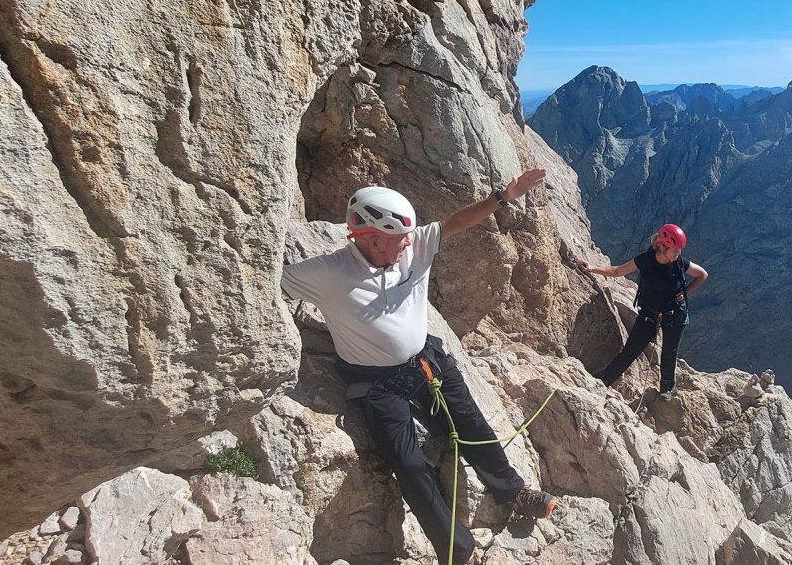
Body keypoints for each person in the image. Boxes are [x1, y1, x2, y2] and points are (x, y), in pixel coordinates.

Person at [281, 169, 556, 565]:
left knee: (472, 425)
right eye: (397, 239)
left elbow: (455, 222)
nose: (407, 243)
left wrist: (503, 196)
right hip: (375, 384)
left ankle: (513, 492)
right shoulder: (329, 273)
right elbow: (269, 282)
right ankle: (457, 549)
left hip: (426, 363)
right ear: (370, 238)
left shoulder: (413, 248)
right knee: (408, 463)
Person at [576, 223, 708, 399]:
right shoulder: (646, 260)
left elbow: (702, 275)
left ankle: (666, 389)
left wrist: (684, 294)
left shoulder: (679, 263)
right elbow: (617, 271)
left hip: (674, 315)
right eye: (675, 250)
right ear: (663, 246)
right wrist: (592, 268)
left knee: (669, 353)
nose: (678, 254)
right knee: (630, 350)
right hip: (649, 314)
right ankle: (605, 380)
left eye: (679, 250)